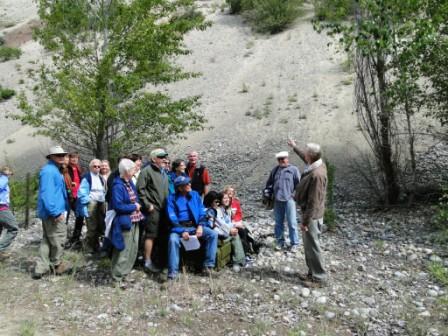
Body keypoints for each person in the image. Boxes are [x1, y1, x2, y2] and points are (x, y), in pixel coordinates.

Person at [288, 139, 328, 287]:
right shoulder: (315, 164)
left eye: (306, 152)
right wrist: (294, 147)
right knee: (309, 245)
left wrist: (305, 222)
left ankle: (319, 278)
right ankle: (312, 273)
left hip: (312, 215)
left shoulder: (317, 174)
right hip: (311, 214)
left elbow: (313, 201)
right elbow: (304, 156)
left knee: (313, 246)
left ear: (310, 156)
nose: (304, 153)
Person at [166, 176, 218, 280]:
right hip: (179, 228)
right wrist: (182, 231)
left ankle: (208, 267)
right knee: (173, 240)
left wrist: (200, 226)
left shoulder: (195, 195)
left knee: (213, 234)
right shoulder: (171, 199)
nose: (190, 185)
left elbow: (202, 212)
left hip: (194, 226)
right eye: (186, 184)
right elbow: (172, 219)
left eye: (189, 182)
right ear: (180, 188)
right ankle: (173, 274)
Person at [33, 146, 70, 279]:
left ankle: (41, 268)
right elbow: (47, 194)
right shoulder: (49, 171)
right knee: (58, 238)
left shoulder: (53, 170)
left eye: (63, 155)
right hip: (53, 213)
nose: (61, 157)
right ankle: (56, 265)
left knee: (47, 240)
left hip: (51, 212)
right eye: (58, 155)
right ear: (51, 157)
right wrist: (55, 213)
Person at [109, 159, 144, 284]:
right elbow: (117, 206)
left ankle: (124, 273)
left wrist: (136, 204)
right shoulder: (117, 186)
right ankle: (117, 277)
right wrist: (134, 207)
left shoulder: (128, 182)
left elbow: (135, 197)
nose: (135, 171)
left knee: (133, 248)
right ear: (126, 171)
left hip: (135, 219)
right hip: (125, 220)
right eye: (133, 169)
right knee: (123, 249)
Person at [136, 148, 170, 273]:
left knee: (160, 235)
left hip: (164, 209)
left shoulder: (164, 173)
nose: (164, 159)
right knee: (150, 235)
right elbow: (140, 190)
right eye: (161, 157)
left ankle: (158, 260)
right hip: (153, 209)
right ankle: (147, 262)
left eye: (164, 157)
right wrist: (147, 204)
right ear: (153, 158)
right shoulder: (146, 171)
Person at [265, 151, 301, 251]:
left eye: (283, 158)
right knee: (278, 223)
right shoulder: (275, 170)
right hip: (277, 200)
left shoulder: (293, 169)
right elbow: (269, 184)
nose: (281, 161)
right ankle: (280, 242)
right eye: (279, 159)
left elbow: (299, 185)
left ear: (287, 158)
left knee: (292, 223)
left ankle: (295, 243)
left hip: (289, 200)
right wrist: (267, 191)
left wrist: (294, 196)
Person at [204, 191, 245, 272]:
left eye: (218, 201)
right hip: (216, 234)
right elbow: (214, 227)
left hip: (221, 232)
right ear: (211, 201)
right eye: (216, 201)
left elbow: (222, 224)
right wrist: (229, 231)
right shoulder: (209, 212)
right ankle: (238, 261)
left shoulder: (214, 210)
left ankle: (240, 259)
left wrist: (230, 229)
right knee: (235, 235)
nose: (218, 203)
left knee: (239, 232)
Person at [77, 159, 106, 254]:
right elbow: (82, 192)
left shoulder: (101, 178)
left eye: (99, 166)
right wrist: (88, 201)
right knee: (92, 226)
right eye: (95, 166)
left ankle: (96, 246)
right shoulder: (87, 177)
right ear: (90, 167)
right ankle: (88, 248)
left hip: (101, 203)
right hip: (92, 203)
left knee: (100, 225)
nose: (97, 168)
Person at [223, 186, 259, 257]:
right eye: (229, 192)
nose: (231, 193)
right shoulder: (224, 203)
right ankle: (248, 248)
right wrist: (234, 224)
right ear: (225, 193)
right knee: (242, 230)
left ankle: (250, 246)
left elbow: (239, 214)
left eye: (232, 192)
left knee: (245, 230)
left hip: (235, 221)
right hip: (230, 224)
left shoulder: (236, 202)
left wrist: (238, 222)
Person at [67, 152, 84, 247]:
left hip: (78, 195)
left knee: (80, 215)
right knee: (67, 215)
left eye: (76, 158)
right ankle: (66, 237)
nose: (74, 159)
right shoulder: (66, 169)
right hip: (70, 196)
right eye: (72, 158)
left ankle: (76, 236)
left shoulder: (78, 168)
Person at [0, 166, 18, 255]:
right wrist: (5, 176)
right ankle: (1, 248)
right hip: (2, 208)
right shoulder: (3, 179)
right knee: (14, 228)